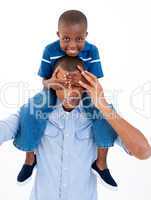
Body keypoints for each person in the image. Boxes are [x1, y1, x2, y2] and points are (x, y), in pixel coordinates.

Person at [0, 56, 151, 200]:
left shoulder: (100, 118)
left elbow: (143, 152)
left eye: (77, 85)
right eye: (64, 85)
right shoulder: (32, 114)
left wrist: (102, 104)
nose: (70, 92)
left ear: (86, 85)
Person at [17, 9, 119, 189]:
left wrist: (81, 81)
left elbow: (95, 82)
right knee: (30, 110)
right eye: (66, 39)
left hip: (85, 91)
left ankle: (101, 163)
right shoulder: (49, 50)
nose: (72, 45)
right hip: (53, 89)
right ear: (58, 35)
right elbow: (44, 80)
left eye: (79, 39)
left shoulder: (92, 51)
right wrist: (54, 83)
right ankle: (30, 157)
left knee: (103, 115)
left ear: (86, 35)